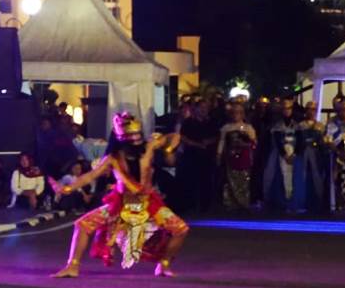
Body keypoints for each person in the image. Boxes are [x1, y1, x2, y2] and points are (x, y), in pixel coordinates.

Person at [52, 112, 188, 278]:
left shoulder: (150, 147)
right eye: (132, 136)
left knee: (180, 229)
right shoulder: (113, 158)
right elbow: (90, 176)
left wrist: (167, 148)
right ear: (121, 137)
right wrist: (67, 189)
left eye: (138, 135)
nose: (136, 139)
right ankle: (72, 266)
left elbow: (175, 137)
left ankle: (164, 265)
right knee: (82, 225)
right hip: (121, 204)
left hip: (148, 204)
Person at [178, 99, 217, 213]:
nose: (204, 110)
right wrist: (197, 144)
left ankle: (205, 205)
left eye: (206, 108)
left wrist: (208, 142)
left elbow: (216, 136)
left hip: (207, 156)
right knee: (191, 180)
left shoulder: (211, 122)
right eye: (201, 107)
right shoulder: (189, 122)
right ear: (196, 109)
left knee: (206, 180)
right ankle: (191, 204)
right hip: (192, 155)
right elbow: (183, 137)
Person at [216, 102, 257, 212]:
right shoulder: (226, 128)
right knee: (231, 179)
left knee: (244, 179)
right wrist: (219, 154)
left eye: (239, 112)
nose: (236, 115)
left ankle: (244, 202)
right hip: (231, 156)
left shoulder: (248, 128)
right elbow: (222, 141)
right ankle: (232, 202)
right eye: (234, 112)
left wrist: (246, 144)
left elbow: (254, 143)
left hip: (244, 156)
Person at [263, 98, 297, 211]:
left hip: (294, 153)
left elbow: (300, 139)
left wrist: (295, 153)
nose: (287, 111)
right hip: (281, 154)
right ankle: (282, 200)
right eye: (285, 108)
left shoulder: (297, 124)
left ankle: (292, 200)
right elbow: (277, 141)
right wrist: (284, 154)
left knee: (294, 177)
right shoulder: (277, 125)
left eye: (289, 108)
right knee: (281, 175)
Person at [292, 102, 327, 213]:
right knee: (302, 178)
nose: (311, 112)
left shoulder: (320, 126)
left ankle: (317, 202)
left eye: (313, 109)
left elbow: (323, 143)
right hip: (302, 155)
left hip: (316, 156)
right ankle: (301, 202)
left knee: (316, 178)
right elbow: (296, 141)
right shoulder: (300, 126)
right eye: (308, 109)